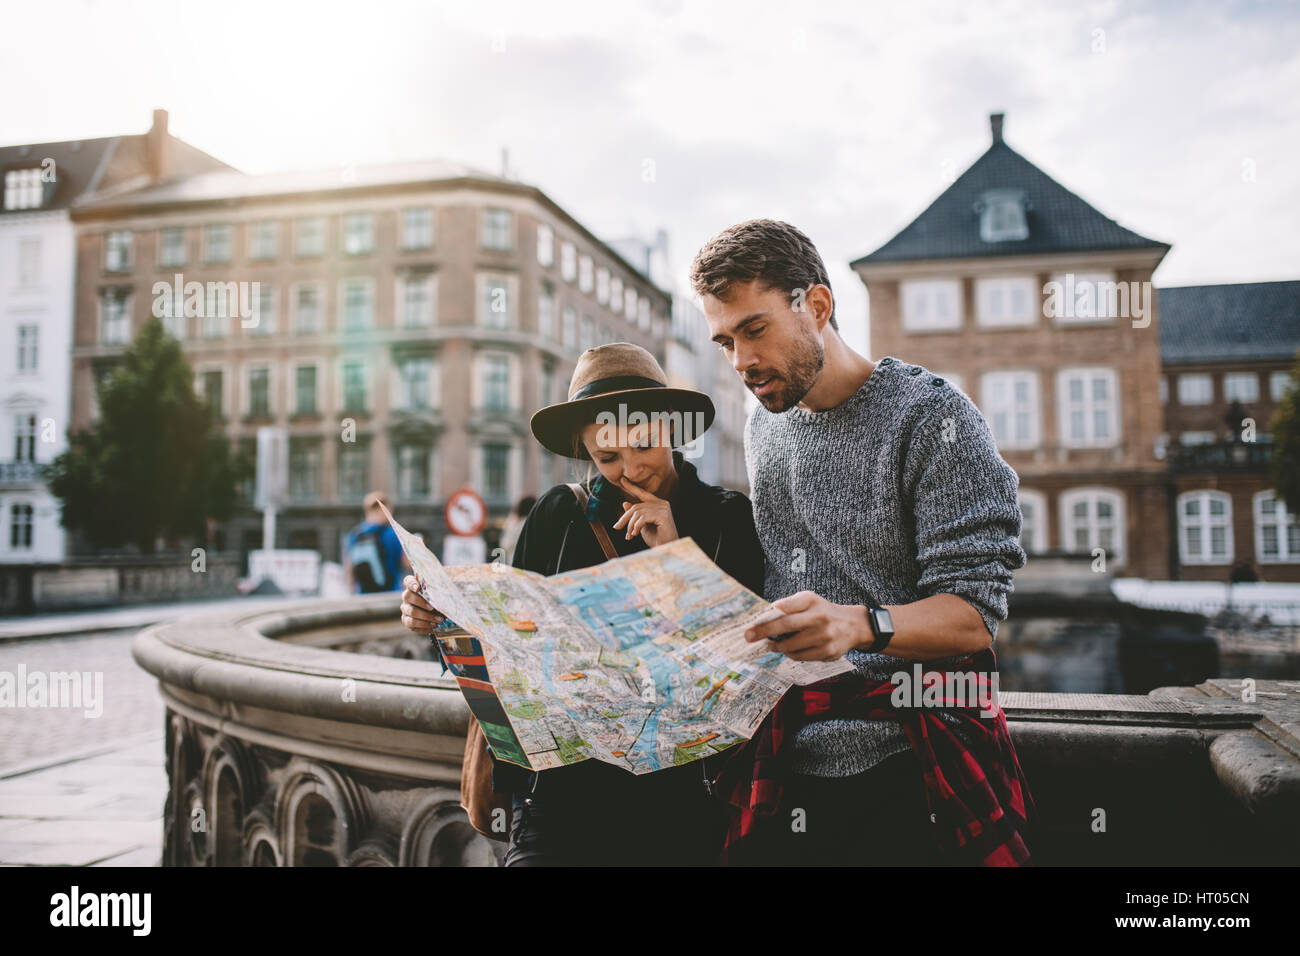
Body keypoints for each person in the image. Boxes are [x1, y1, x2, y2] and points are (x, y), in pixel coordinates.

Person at [689, 218, 1037, 866]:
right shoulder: (766, 424)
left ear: (816, 306)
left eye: (755, 330)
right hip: (779, 756)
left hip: (908, 770)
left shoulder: (933, 419)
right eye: (725, 341)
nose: (741, 362)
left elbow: (973, 617)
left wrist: (859, 625)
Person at [399, 343, 766, 865]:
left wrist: (674, 559)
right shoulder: (559, 515)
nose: (630, 469)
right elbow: (500, 644)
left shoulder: (727, 519)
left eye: (642, 445)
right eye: (607, 457)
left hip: (682, 801)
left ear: (668, 428)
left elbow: (750, 663)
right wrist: (437, 619)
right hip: (559, 797)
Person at [344, 491, 406, 594]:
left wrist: (351, 592)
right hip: (390, 593)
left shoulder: (355, 534)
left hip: (363, 595)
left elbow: (349, 568)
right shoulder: (391, 534)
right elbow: (406, 562)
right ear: (385, 509)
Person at [497, 495, 536, 566]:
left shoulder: (517, 524)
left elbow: (506, 544)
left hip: (516, 562)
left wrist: (511, 521)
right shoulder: (534, 522)